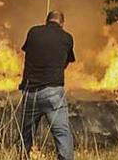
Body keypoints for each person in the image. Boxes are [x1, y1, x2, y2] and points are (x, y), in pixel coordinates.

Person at [18, 10, 75, 160]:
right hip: (53, 93)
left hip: (31, 93)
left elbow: (29, 52)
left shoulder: (33, 32)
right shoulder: (67, 38)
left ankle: (23, 156)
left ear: (46, 20)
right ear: (62, 24)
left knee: (25, 136)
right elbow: (65, 63)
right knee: (62, 134)